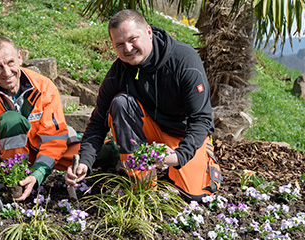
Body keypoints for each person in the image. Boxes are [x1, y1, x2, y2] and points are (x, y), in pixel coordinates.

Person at [65, 9, 223, 202]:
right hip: (148, 133)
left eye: (133, 39)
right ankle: (141, 184)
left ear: (149, 32)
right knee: (121, 103)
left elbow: (202, 120)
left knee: (195, 197)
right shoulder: (118, 72)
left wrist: (180, 156)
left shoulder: (184, 60)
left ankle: (195, 165)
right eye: (120, 44)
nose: (128, 48)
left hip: (183, 136)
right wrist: (85, 162)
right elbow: (98, 122)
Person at [0, 36, 81, 201]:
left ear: (20, 57)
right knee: (11, 120)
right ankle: (14, 185)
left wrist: (38, 174)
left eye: (10, 63)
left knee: (98, 152)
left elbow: (54, 140)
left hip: (41, 154)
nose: (7, 72)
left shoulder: (45, 87)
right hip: (3, 167)